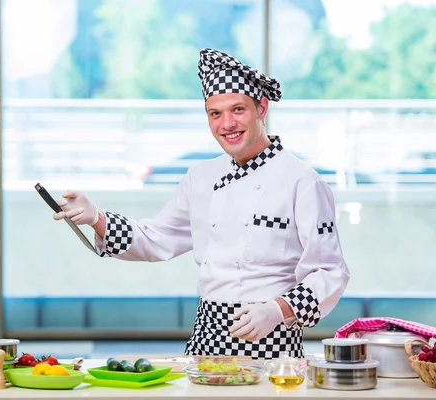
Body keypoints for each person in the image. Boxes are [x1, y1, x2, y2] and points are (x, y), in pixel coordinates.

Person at [51, 48, 350, 359]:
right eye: (215, 113)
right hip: (207, 337)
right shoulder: (200, 177)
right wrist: (96, 217)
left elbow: (330, 271)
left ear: (261, 108)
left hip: (272, 339)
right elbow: (157, 239)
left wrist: (276, 311)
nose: (227, 124)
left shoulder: (302, 180)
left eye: (238, 110)